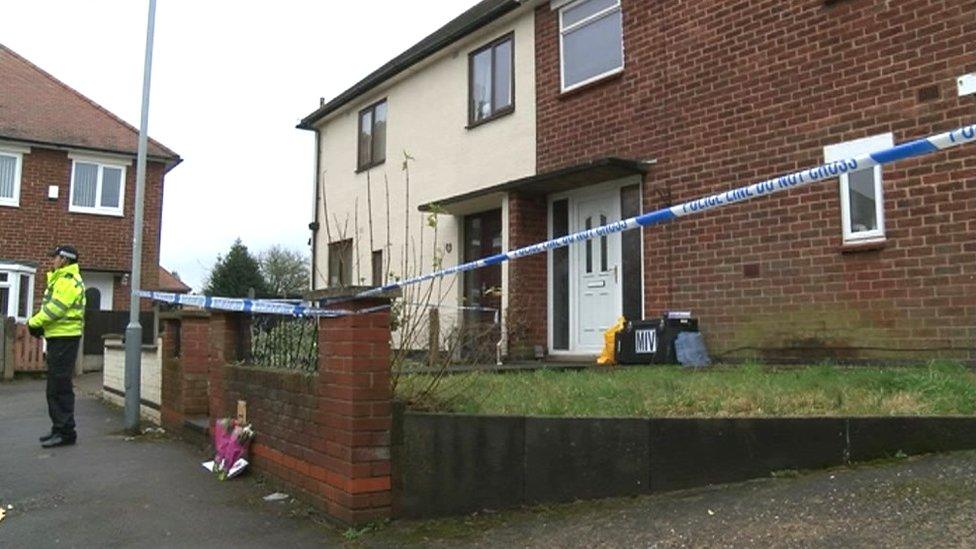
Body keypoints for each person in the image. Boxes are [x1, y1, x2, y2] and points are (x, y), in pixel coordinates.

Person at [28, 245, 86, 448]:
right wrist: (42, 325)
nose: (52, 260)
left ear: (65, 260)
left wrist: (34, 322)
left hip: (65, 338)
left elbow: (56, 309)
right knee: (55, 386)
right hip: (59, 337)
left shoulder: (67, 281)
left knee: (59, 386)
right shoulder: (60, 279)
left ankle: (66, 432)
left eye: (55, 257)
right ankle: (59, 429)